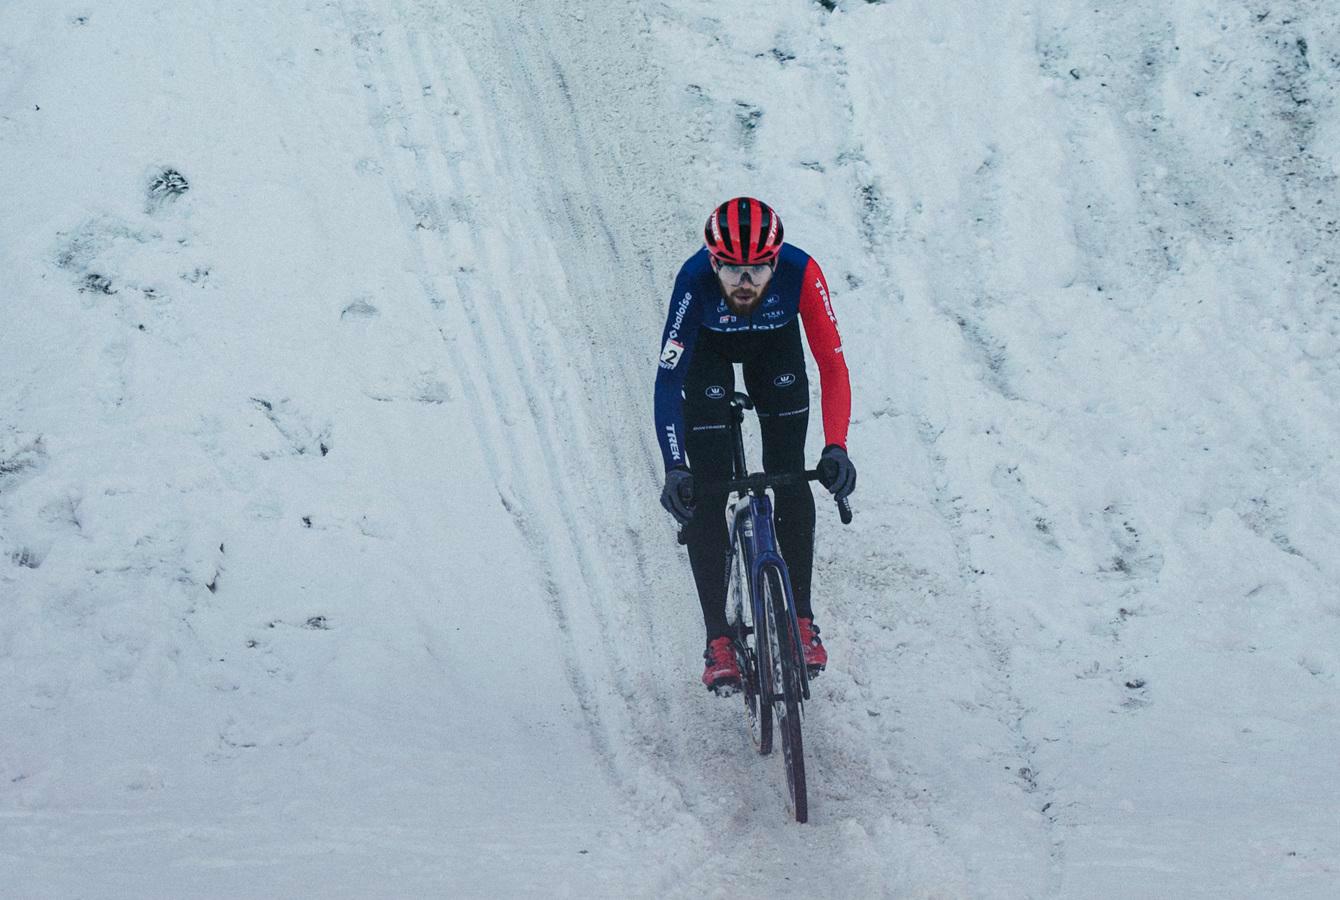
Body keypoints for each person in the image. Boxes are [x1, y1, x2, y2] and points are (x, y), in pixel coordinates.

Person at [654, 197, 856, 693]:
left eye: (758, 270)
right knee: (707, 490)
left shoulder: (802, 273)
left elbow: (832, 366)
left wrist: (836, 448)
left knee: (789, 472)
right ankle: (718, 639)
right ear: (713, 262)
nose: (745, 283)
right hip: (709, 356)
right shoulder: (693, 281)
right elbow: (667, 381)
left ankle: (803, 622)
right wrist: (676, 467)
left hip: (775, 349)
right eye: (732, 271)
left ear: (775, 261)